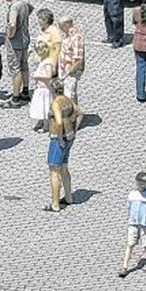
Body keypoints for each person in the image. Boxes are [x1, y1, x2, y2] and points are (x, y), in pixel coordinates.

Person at [43, 79, 82, 212]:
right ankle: (69, 197)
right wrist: (75, 128)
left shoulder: (56, 103)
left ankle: (55, 203)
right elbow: (80, 112)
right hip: (70, 136)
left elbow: (58, 122)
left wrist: (59, 138)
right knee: (64, 167)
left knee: (54, 170)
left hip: (58, 139)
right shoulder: (67, 100)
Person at [0, 0, 34, 108]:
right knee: (24, 66)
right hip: (25, 39)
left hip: (15, 43)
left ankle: (15, 98)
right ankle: (25, 90)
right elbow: (31, 8)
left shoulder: (14, 7)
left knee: (15, 69)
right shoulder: (23, 3)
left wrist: (10, 34)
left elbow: (12, 24)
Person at [119, 172, 146, 277]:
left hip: (144, 222)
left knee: (145, 243)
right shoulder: (132, 194)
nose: (141, 185)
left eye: (143, 183)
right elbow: (129, 208)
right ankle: (124, 266)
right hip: (133, 222)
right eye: (140, 183)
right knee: (130, 243)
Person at [57, 15, 85, 121]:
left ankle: (76, 115)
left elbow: (78, 60)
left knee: (69, 96)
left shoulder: (76, 38)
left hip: (70, 72)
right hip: (65, 71)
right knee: (71, 95)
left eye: (61, 26)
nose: (60, 29)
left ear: (66, 25)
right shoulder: (67, 35)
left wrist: (68, 73)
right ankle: (72, 117)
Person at [28, 41, 56, 133]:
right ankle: (40, 121)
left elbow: (48, 76)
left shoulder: (48, 62)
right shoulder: (43, 60)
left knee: (45, 107)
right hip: (40, 88)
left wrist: (37, 76)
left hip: (45, 89)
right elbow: (34, 60)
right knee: (39, 106)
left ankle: (46, 125)